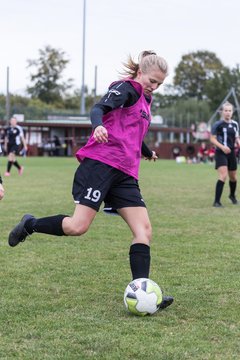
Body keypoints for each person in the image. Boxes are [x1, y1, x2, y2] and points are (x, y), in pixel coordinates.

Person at [8, 50, 174, 311]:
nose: (154, 87)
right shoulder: (126, 88)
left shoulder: (145, 100)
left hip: (126, 173)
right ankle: (30, 224)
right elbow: (100, 108)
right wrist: (98, 125)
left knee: (144, 231)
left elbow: (131, 131)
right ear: (140, 72)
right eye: (152, 81)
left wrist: (147, 151)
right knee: (77, 226)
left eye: (159, 84)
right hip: (102, 164)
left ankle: (143, 292)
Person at [210, 101, 240, 207]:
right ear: (222, 112)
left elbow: (236, 137)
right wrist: (222, 147)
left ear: (232, 112)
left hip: (231, 153)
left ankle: (232, 196)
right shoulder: (217, 124)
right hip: (220, 152)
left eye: (230, 110)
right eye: (226, 110)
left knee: (233, 177)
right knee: (223, 175)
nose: (228, 112)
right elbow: (212, 139)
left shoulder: (235, 124)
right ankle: (216, 202)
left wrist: (238, 142)